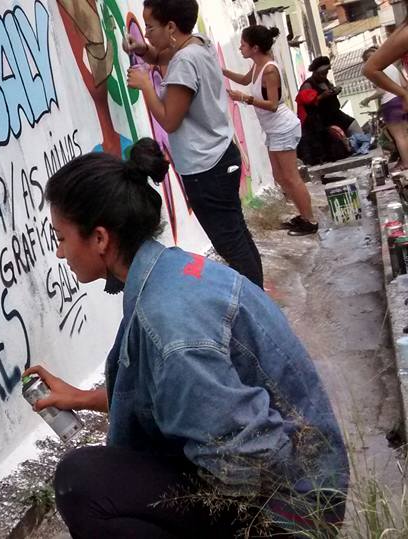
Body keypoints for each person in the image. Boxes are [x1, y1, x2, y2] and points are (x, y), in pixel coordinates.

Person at [26, 138, 349, 538]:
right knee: (97, 475)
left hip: (287, 512)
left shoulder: (171, 326)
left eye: (61, 237)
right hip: (288, 480)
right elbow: (166, 392)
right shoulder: (168, 271)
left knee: (85, 485)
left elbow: (252, 460)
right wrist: (81, 398)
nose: (60, 253)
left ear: (99, 239)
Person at [125, 0, 264, 288]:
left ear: (171, 27)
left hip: (206, 168)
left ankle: (256, 305)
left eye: (150, 27)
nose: (147, 34)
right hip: (221, 156)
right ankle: (258, 298)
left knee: (230, 243)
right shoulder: (198, 44)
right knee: (236, 234)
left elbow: (169, 120)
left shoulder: (184, 62)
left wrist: (147, 86)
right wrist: (142, 51)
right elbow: (162, 55)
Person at [223, 26, 318, 236]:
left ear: (255, 47)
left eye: (244, 44)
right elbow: (246, 80)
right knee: (280, 176)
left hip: (283, 127)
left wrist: (244, 98)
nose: (240, 48)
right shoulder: (258, 65)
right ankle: (303, 216)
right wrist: (221, 71)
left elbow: (273, 104)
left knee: (291, 177)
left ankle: (309, 221)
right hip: (274, 130)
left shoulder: (269, 70)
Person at [296, 58, 354, 166]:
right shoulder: (308, 85)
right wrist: (323, 96)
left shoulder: (325, 82)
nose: (324, 75)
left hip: (333, 114)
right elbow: (308, 102)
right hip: (317, 120)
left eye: (326, 73)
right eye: (322, 73)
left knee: (351, 125)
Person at [361, 46, 408, 171]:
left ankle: (406, 163)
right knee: (405, 135)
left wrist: (368, 99)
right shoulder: (391, 66)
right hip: (401, 100)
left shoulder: (375, 70)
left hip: (390, 104)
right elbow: (404, 84)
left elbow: (381, 90)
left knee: (399, 137)